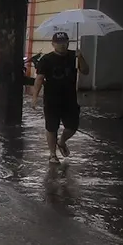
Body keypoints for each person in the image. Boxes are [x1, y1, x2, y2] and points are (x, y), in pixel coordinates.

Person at [32, 31, 89, 164]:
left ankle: (62, 141)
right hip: (52, 99)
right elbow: (39, 79)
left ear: (68, 43)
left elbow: (86, 71)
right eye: (59, 43)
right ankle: (52, 154)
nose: (62, 46)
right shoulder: (46, 59)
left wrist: (80, 57)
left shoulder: (74, 56)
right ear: (53, 44)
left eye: (64, 43)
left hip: (70, 98)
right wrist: (35, 96)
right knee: (52, 127)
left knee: (72, 126)